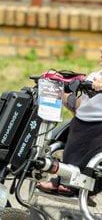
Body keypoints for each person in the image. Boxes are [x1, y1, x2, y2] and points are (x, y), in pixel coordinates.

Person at [38, 47, 102, 196]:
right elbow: (80, 104)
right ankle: (63, 179)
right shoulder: (94, 75)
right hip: (81, 122)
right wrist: (57, 89)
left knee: (90, 154)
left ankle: (79, 184)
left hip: (99, 126)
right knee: (71, 151)